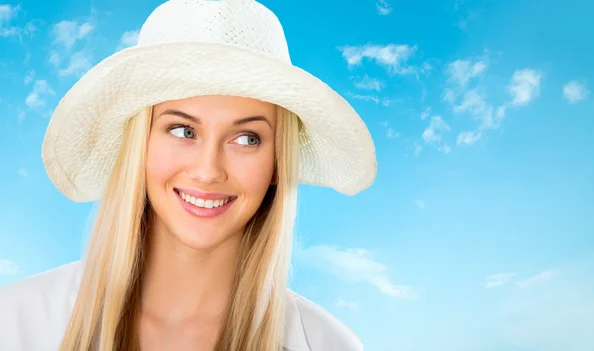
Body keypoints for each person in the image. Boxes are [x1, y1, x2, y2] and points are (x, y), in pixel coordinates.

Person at [0, 0, 377, 350]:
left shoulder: (327, 343)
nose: (208, 170)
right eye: (183, 131)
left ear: (277, 162)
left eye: (246, 138)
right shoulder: (18, 322)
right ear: (140, 146)